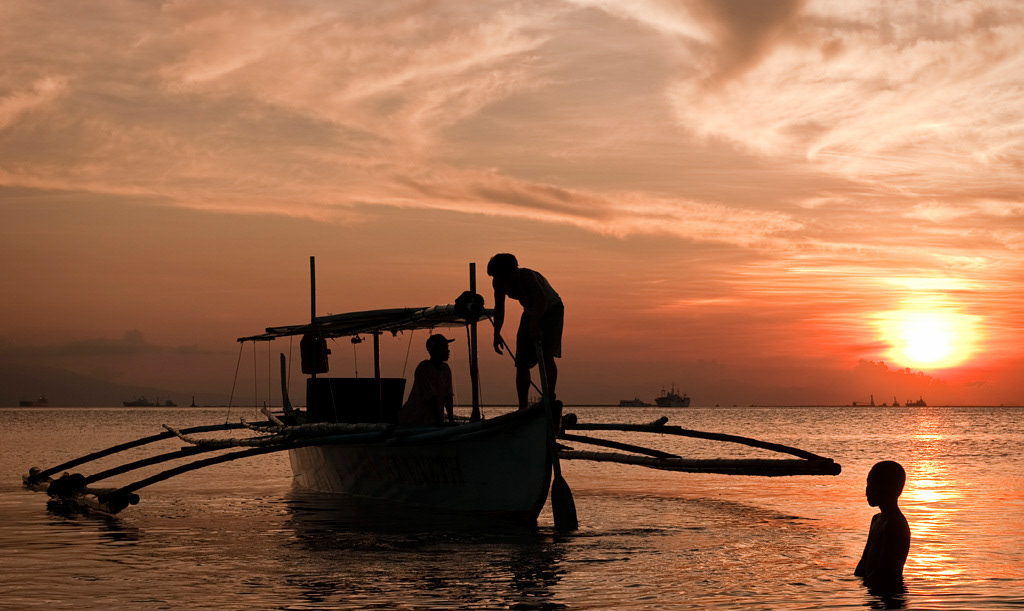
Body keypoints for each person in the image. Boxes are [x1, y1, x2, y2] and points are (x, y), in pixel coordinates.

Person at [487, 253, 563, 411]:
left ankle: (549, 395)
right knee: (521, 361)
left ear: (513, 271)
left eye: (503, 277)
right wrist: (496, 333)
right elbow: (499, 308)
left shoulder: (527, 276)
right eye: (497, 278)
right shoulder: (498, 283)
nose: (502, 282)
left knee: (546, 353)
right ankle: (522, 407)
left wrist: (535, 325)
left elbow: (541, 301)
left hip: (551, 308)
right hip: (529, 311)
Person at [855, 460, 911, 590]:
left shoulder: (895, 524)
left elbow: (886, 570)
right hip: (872, 590)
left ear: (886, 487)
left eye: (871, 484)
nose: (867, 491)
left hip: (888, 594)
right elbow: (864, 561)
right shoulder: (876, 520)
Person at [397, 334, 455, 426]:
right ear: (435, 350)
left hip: (433, 422)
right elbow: (431, 398)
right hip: (415, 420)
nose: (448, 351)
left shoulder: (446, 369)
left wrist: (451, 421)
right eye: (444, 347)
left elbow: (448, 397)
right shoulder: (424, 368)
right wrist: (440, 422)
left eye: (447, 347)